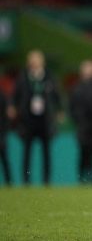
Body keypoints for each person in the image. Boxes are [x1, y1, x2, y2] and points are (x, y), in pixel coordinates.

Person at [10, 50, 62, 185]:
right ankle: (26, 181)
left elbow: (57, 95)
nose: (34, 62)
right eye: (32, 59)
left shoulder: (49, 76)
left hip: (45, 119)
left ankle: (46, 180)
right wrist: (13, 107)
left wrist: (60, 110)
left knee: (46, 152)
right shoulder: (23, 77)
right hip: (28, 119)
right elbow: (15, 95)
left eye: (37, 59)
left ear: (42, 61)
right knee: (27, 152)